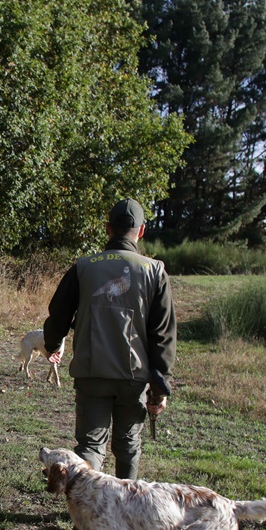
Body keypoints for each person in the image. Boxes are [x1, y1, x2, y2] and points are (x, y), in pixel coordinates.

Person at [42, 198, 176, 481]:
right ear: (141, 231)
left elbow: (58, 314)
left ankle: (85, 514)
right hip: (134, 377)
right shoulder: (155, 271)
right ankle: (125, 513)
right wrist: (160, 386)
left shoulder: (83, 266)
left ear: (107, 229)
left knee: (90, 447)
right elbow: (162, 334)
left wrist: (52, 344)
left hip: (91, 374)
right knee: (127, 447)